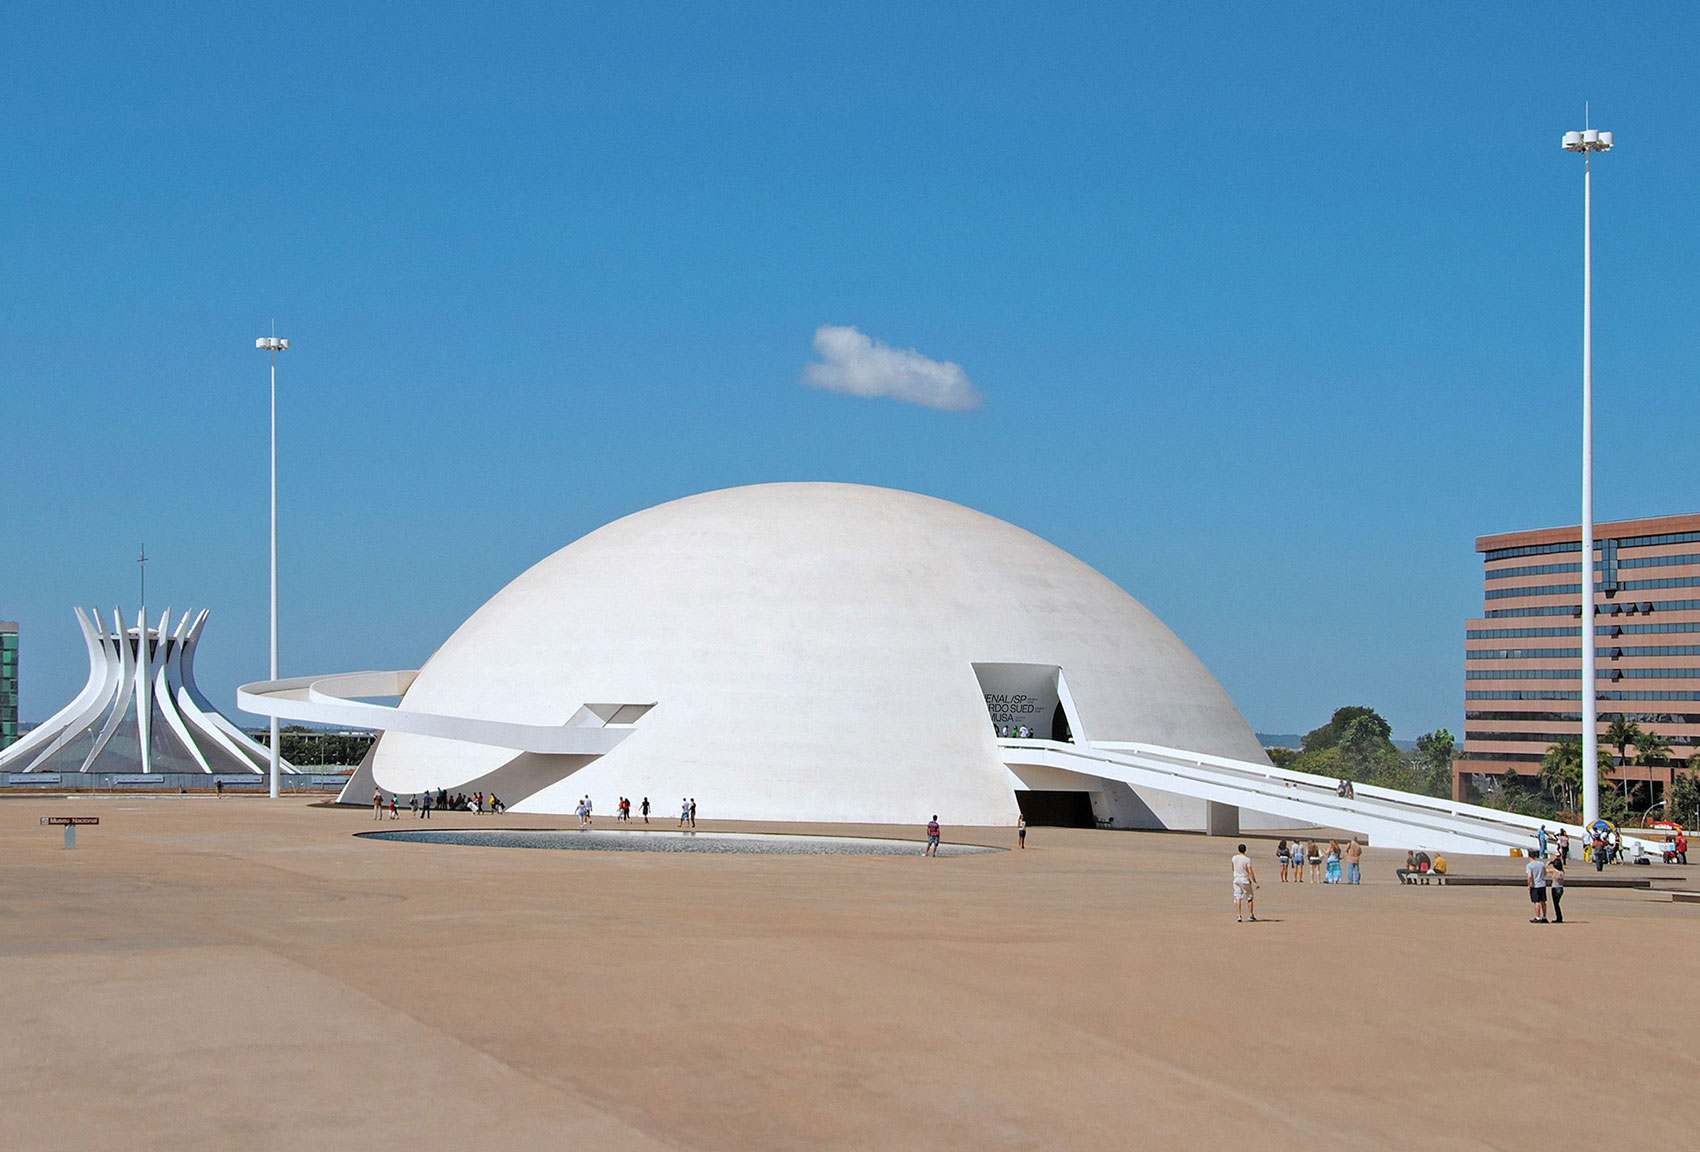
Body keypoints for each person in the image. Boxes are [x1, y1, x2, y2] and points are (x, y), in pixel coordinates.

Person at [1232, 843, 1259, 922]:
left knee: (1238, 897)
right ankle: (1251, 914)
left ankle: (1239, 915)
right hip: (1244, 879)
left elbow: (1233, 868)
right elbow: (1250, 871)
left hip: (1236, 878)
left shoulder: (1234, 858)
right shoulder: (1247, 859)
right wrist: (1255, 882)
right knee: (1249, 896)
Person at [1526, 850, 1549, 923]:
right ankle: (1544, 916)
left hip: (1535, 885)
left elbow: (1529, 876)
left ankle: (1538, 917)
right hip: (1542, 884)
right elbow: (1545, 873)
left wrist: (1529, 884)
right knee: (1543, 901)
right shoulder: (1541, 864)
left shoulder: (1529, 865)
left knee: (1536, 902)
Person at [1547, 853, 1566, 924]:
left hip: (1555, 888)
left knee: (1556, 904)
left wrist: (1547, 864)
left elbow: (1544, 871)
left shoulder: (1554, 871)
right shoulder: (1562, 872)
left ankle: (1559, 917)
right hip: (1561, 888)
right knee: (1557, 903)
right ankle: (1559, 917)